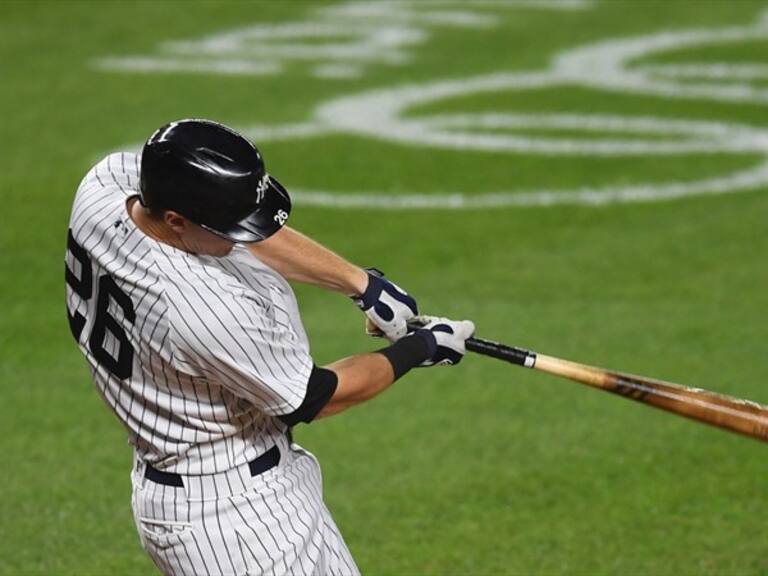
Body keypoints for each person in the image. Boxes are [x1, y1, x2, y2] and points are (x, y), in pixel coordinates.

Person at [64, 118, 475, 575]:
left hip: (229, 491)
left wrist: (361, 284)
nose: (246, 237)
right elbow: (316, 396)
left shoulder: (103, 190)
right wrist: (418, 349)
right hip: (232, 521)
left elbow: (247, 233)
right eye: (231, 227)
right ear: (177, 221)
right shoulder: (200, 310)